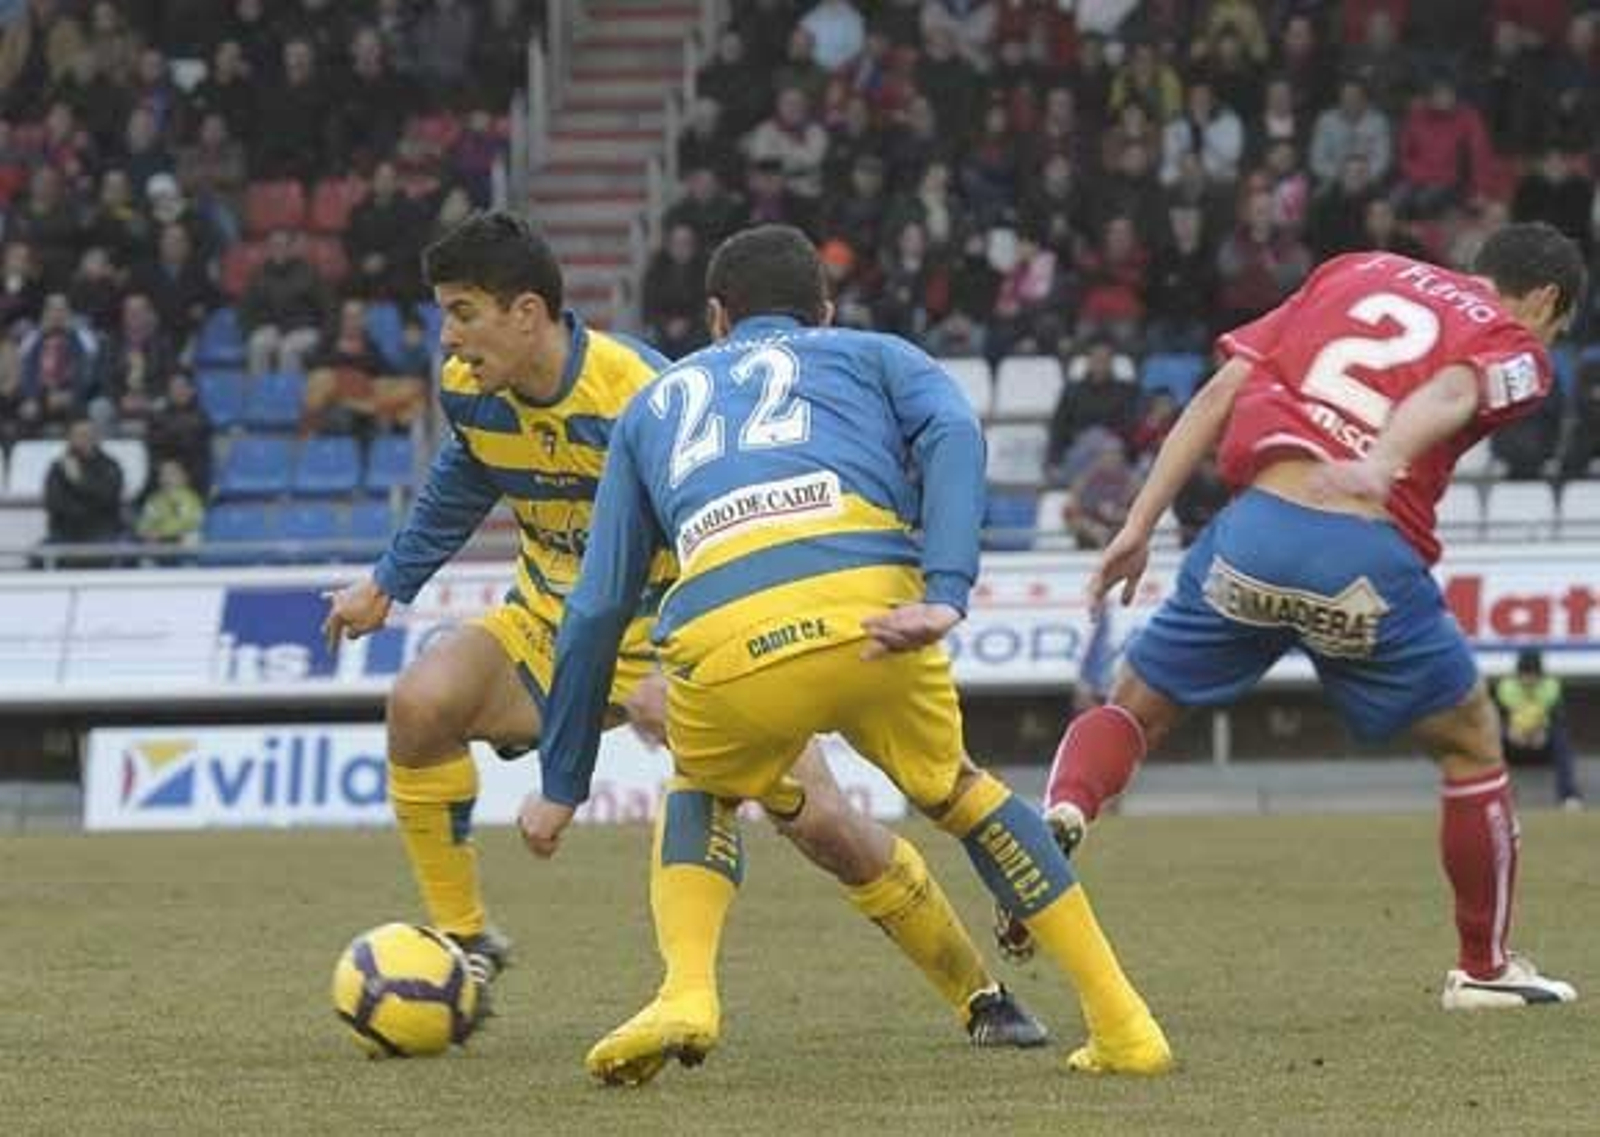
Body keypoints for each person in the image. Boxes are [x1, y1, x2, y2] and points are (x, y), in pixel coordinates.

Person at [321, 212, 1045, 1049]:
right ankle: (468, 941)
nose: (449, 337)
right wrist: (389, 582)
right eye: (444, 313)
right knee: (420, 704)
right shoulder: (469, 386)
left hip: (685, 629)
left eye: (463, 312)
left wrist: (694, 642)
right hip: (549, 624)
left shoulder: (645, 391)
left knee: (824, 826)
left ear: (526, 313)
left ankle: (978, 995)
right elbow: (465, 473)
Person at [519, 224, 1171, 1085]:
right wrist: (945, 587)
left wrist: (563, 778)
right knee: (962, 791)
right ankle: (1124, 1023)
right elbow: (953, 435)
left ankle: (686, 991)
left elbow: (597, 605)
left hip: (726, 635)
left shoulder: (654, 404)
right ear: (823, 312)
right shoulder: (872, 353)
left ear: (718, 319)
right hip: (873, 611)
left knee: (706, 788)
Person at [1000, 224, 1584, 1010]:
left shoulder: (1353, 268)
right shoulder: (1515, 340)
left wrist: (1137, 526)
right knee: (1473, 744)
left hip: (1252, 536)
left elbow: (1219, 392)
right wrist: (1380, 461)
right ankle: (1483, 969)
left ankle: (1063, 813)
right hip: (1360, 559)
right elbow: (1451, 391)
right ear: (1548, 299)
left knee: (1134, 706)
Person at [1494, 650, 1583, 810]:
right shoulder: (1505, 688)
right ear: (1518, 674)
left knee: (1561, 738)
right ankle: (1502, 795)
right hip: (1513, 746)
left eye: (1533, 675)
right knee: (1493, 739)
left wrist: (1543, 732)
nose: (1529, 679)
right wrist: (1508, 730)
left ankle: (1569, 796)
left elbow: (1560, 720)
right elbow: (1494, 720)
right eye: (1525, 675)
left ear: (1540, 674)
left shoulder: (1551, 688)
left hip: (1541, 746)